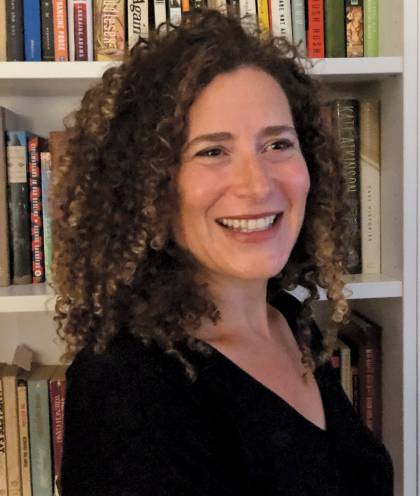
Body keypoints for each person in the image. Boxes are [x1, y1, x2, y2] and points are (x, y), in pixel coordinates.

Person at [52, 9, 394, 496]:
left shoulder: (292, 324)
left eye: (277, 143)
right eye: (212, 151)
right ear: (151, 187)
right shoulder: (127, 386)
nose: (258, 186)